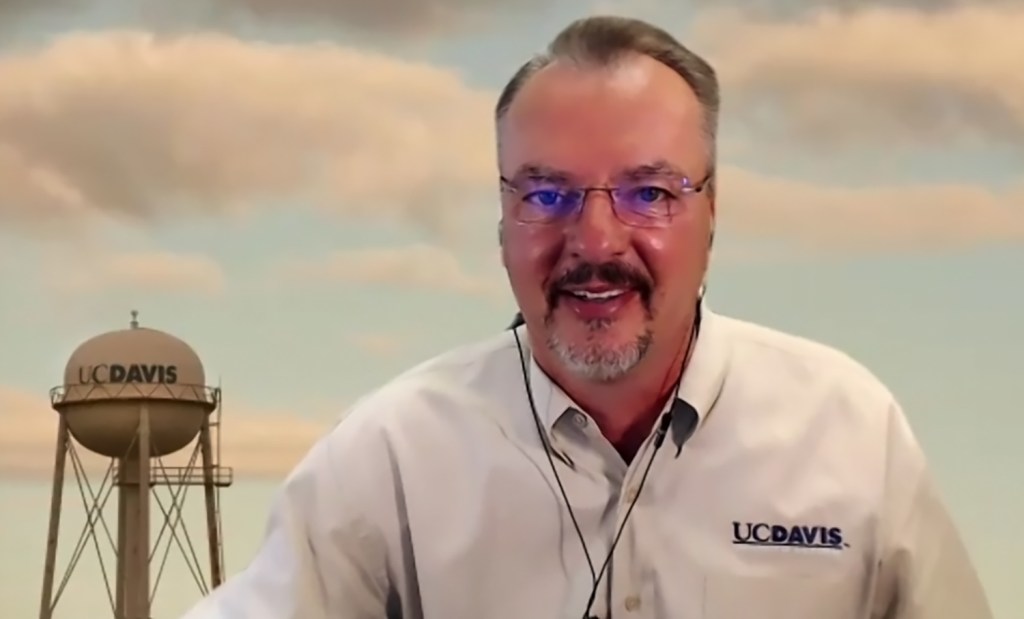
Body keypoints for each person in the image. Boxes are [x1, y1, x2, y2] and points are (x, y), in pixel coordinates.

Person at [180, 15, 992, 619]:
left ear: (713, 212)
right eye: (546, 195)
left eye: (650, 192)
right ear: (502, 219)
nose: (596, 240)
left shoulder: (850, 433)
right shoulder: (391, 453)